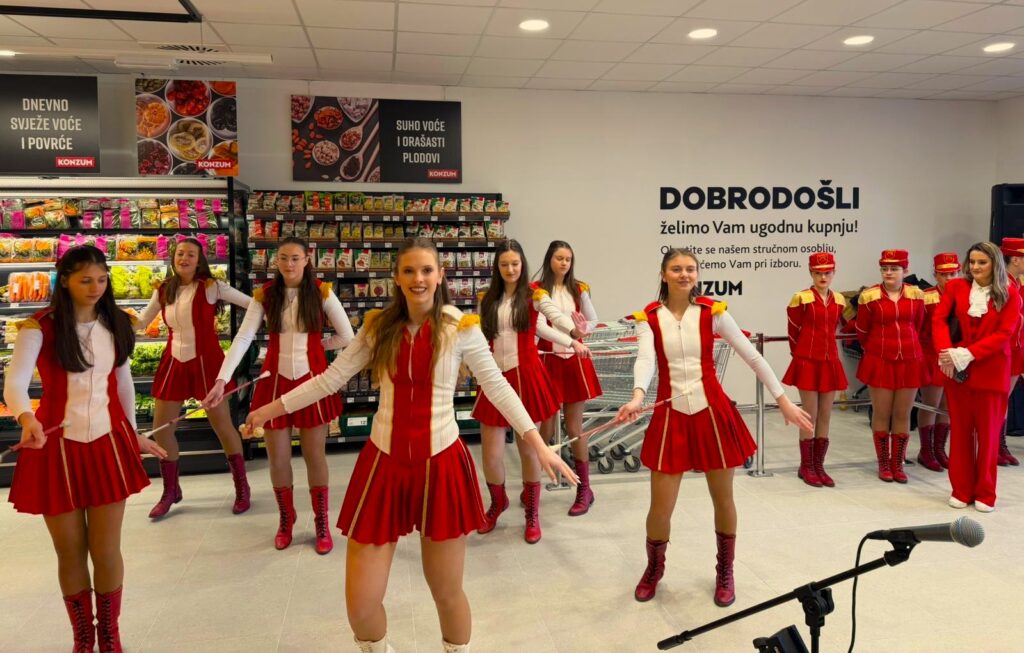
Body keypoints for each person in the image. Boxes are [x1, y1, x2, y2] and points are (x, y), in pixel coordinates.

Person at [243, 237, 577, 653]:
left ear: (440, 276)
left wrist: (537, 443)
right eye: (409, 271)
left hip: (442, 464)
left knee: (447, 593)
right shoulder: (377, 327)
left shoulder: (461, 328)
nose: (418, 279)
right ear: (396, 278)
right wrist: (269, 409)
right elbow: (330, 379)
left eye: (426, 270)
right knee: (361, 604)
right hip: (382, 465)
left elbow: (498, 386)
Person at [616, 248, 811, 607]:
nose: (684, 275)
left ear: (698, 274)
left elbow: (752, 355)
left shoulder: (713, 312)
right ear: (663, 274)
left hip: (713, 413)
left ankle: (725, 571)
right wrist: (637, 395)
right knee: (660, 507)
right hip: (671, 415)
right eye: (676, 269)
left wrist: (783, 398)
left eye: (690, 269)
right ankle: (654, 569)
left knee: (723, 499)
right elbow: (645, 360)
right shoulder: (649, 317)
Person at [4, 245, 167, 653]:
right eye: (85, 280)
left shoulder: (117, 323)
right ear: (65, 281)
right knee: (70, 552)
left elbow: (123, 385)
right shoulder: (37, 328)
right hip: (53, 447)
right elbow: (15, 383)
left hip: (108, 445)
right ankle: (82, 638)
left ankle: (109, 636)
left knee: (106, 550)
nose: (96, 287)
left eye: (101, 279)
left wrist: (134, 435)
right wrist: (26, 418)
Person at [207, 237, 353, 554]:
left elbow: (347, 336)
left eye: (296, 258)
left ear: (307, 259)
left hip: (313, 382)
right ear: (276, 261)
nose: (289, 264)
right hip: (273, 383)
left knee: (315, 456)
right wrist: (222, 379)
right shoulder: (265, 294)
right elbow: (243, 337)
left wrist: (319, 347)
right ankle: (286, 518)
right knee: (278, 458)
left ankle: (322, 521)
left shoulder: (322, 292)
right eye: (283, 258)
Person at [473, 240, 587, 543]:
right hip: (494, 378)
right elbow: (482, 336)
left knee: (529, 451)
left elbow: (552, 318)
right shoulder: (486, 299)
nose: (510, 269)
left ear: (522, 265)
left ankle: (532, 513)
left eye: (515, 264)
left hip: (527, 376)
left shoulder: (535, 295)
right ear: (497, 267)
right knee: (491, 455)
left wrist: (573, 333)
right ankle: (497, 503)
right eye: (504, 264)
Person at [135, 237, 252, 518]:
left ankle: (242, 487)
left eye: (190, 254)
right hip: (173, 362)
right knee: (162, 429)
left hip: (207, 364)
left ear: (199, 260)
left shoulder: (212, 287)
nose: (184, 258)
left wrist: (249, 333)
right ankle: (171, 490)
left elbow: (252, 305)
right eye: (180, 254)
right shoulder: (163, 289)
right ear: (173, 258)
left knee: (223, 426)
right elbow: (141, 322)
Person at [933, 242, 1021, 512]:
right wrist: (946, 353)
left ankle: (985, 493)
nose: (975, 267)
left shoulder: (1010, 293)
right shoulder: (956, 287)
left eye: (982, 262)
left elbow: (1004, 334)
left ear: (995, 263)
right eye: (972, 262)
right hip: (957, 370)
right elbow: (939, 320)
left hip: (991, 369)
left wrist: (968, 353)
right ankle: (961, 489)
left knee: (988, 435)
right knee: (960, 432)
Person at [534, 240, 602, 516]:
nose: (564, 263)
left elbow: (592, 320)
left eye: (568, 259)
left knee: (575, 428)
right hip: (548, 360)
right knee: (545, 429)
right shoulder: (537, 290)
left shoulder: (579, 289)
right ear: (549, 259)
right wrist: (572, 335)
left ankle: (584, 489)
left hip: (574, 362)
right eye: (559, 258)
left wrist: (583, 329)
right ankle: (532, 487)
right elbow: (538, 326)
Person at [855, 249, 927, 484]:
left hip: (910, 359)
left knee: (903, 413)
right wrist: (878, 347)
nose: (889, 273)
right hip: (879, 359)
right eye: (885, 268)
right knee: (881, 412)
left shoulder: (917, 294)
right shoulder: (869, 296)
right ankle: (883, 463)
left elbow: (919, 325)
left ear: (905, 270)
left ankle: (898, 462)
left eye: (894, 269)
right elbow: (862, 330)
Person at [783, 251, 851, 487]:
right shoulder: (801, 298)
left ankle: (819, 465)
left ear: (833, 273)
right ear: (811, 273)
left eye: (827, 273)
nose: (823, 277)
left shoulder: (839, 300)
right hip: (807, 361)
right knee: (808, 414)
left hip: (830, 361)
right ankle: (806, 466)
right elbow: (793, 330)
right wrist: (800, 356)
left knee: (825, 414)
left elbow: (839, 327)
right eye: (818, 273)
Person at [917, 253, 960, 472]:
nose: (948, 278)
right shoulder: (926, 297)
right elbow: (918, 328)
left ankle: (940, 449)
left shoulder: (965, 295)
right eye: (943, 274)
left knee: (948, 405)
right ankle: (926, 451)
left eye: (952, 274)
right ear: (935, 275)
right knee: (931, 404)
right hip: (931, 356)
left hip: (957, 356)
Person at [998, 237, 1024, 466]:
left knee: (1004, 399)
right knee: (999, 399)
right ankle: (994, 444)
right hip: (1004, 348)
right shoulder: (1002, 284)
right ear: (1015, 259)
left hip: (1017, 348)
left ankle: (1000, 443)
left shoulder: (1017, 282)